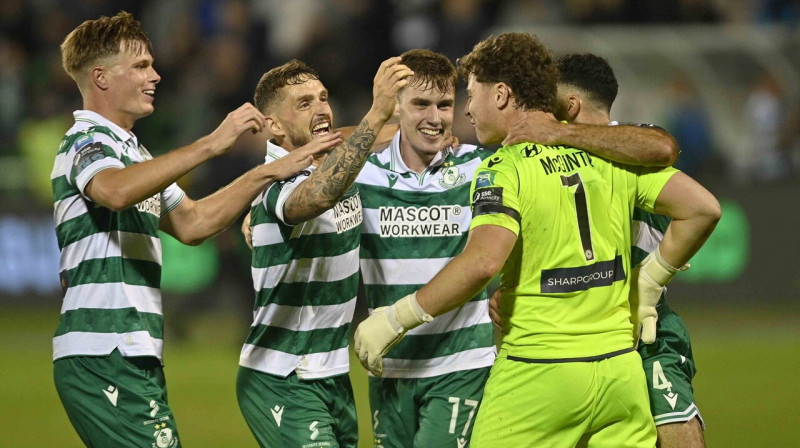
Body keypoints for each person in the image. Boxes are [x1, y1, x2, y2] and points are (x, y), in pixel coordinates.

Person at [354, 32, 720, 447]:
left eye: (471, 94)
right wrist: (648, 281)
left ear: (501, 94)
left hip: (538, 371)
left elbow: (482, 262)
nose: (466, 110)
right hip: (619, 375)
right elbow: (703, 207)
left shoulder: (502, 168)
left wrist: (395, 319)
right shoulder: (608, 154)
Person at [51, 12, 330, 448]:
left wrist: (266, 174)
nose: (155, 75)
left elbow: (194, 223)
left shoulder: (135, 153)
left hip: (130, 349)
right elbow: (114, 191)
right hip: (103, 347)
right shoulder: (85, 142)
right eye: (141, 66)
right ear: (101, 77)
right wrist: (210, 144)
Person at [237, 57, 412, 448]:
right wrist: (377, 114)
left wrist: (422, 128)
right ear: (274, 126)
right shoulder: (274, 183)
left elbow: (347, 144)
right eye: (304, 104)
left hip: (331, 373)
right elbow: (315, 197)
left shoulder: (334, 163)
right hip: (283, 374)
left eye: (323, 98)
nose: (321, 109)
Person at [356, 49, 495, 448]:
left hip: (460, 362)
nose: (435, 118)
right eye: (421, 104)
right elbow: (308, 170)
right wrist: (257, 213)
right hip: (389, 365)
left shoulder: (479, 167)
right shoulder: (362, 173)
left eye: (444, 105)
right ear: (396, 106)